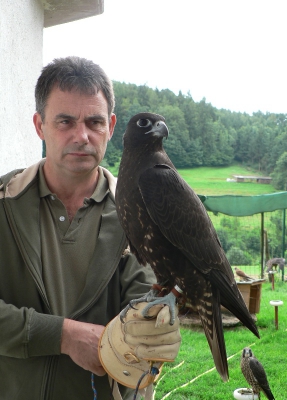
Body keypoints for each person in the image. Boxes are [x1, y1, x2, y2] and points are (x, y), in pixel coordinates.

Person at [0, 56, 181, 400]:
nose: (81, 136)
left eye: (94, 122)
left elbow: (147, 299)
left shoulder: (143, 211)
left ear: (111, 127)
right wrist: (63, 335)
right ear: (40, 125)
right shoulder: (3, 203)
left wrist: (155, 326)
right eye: (65, 121)